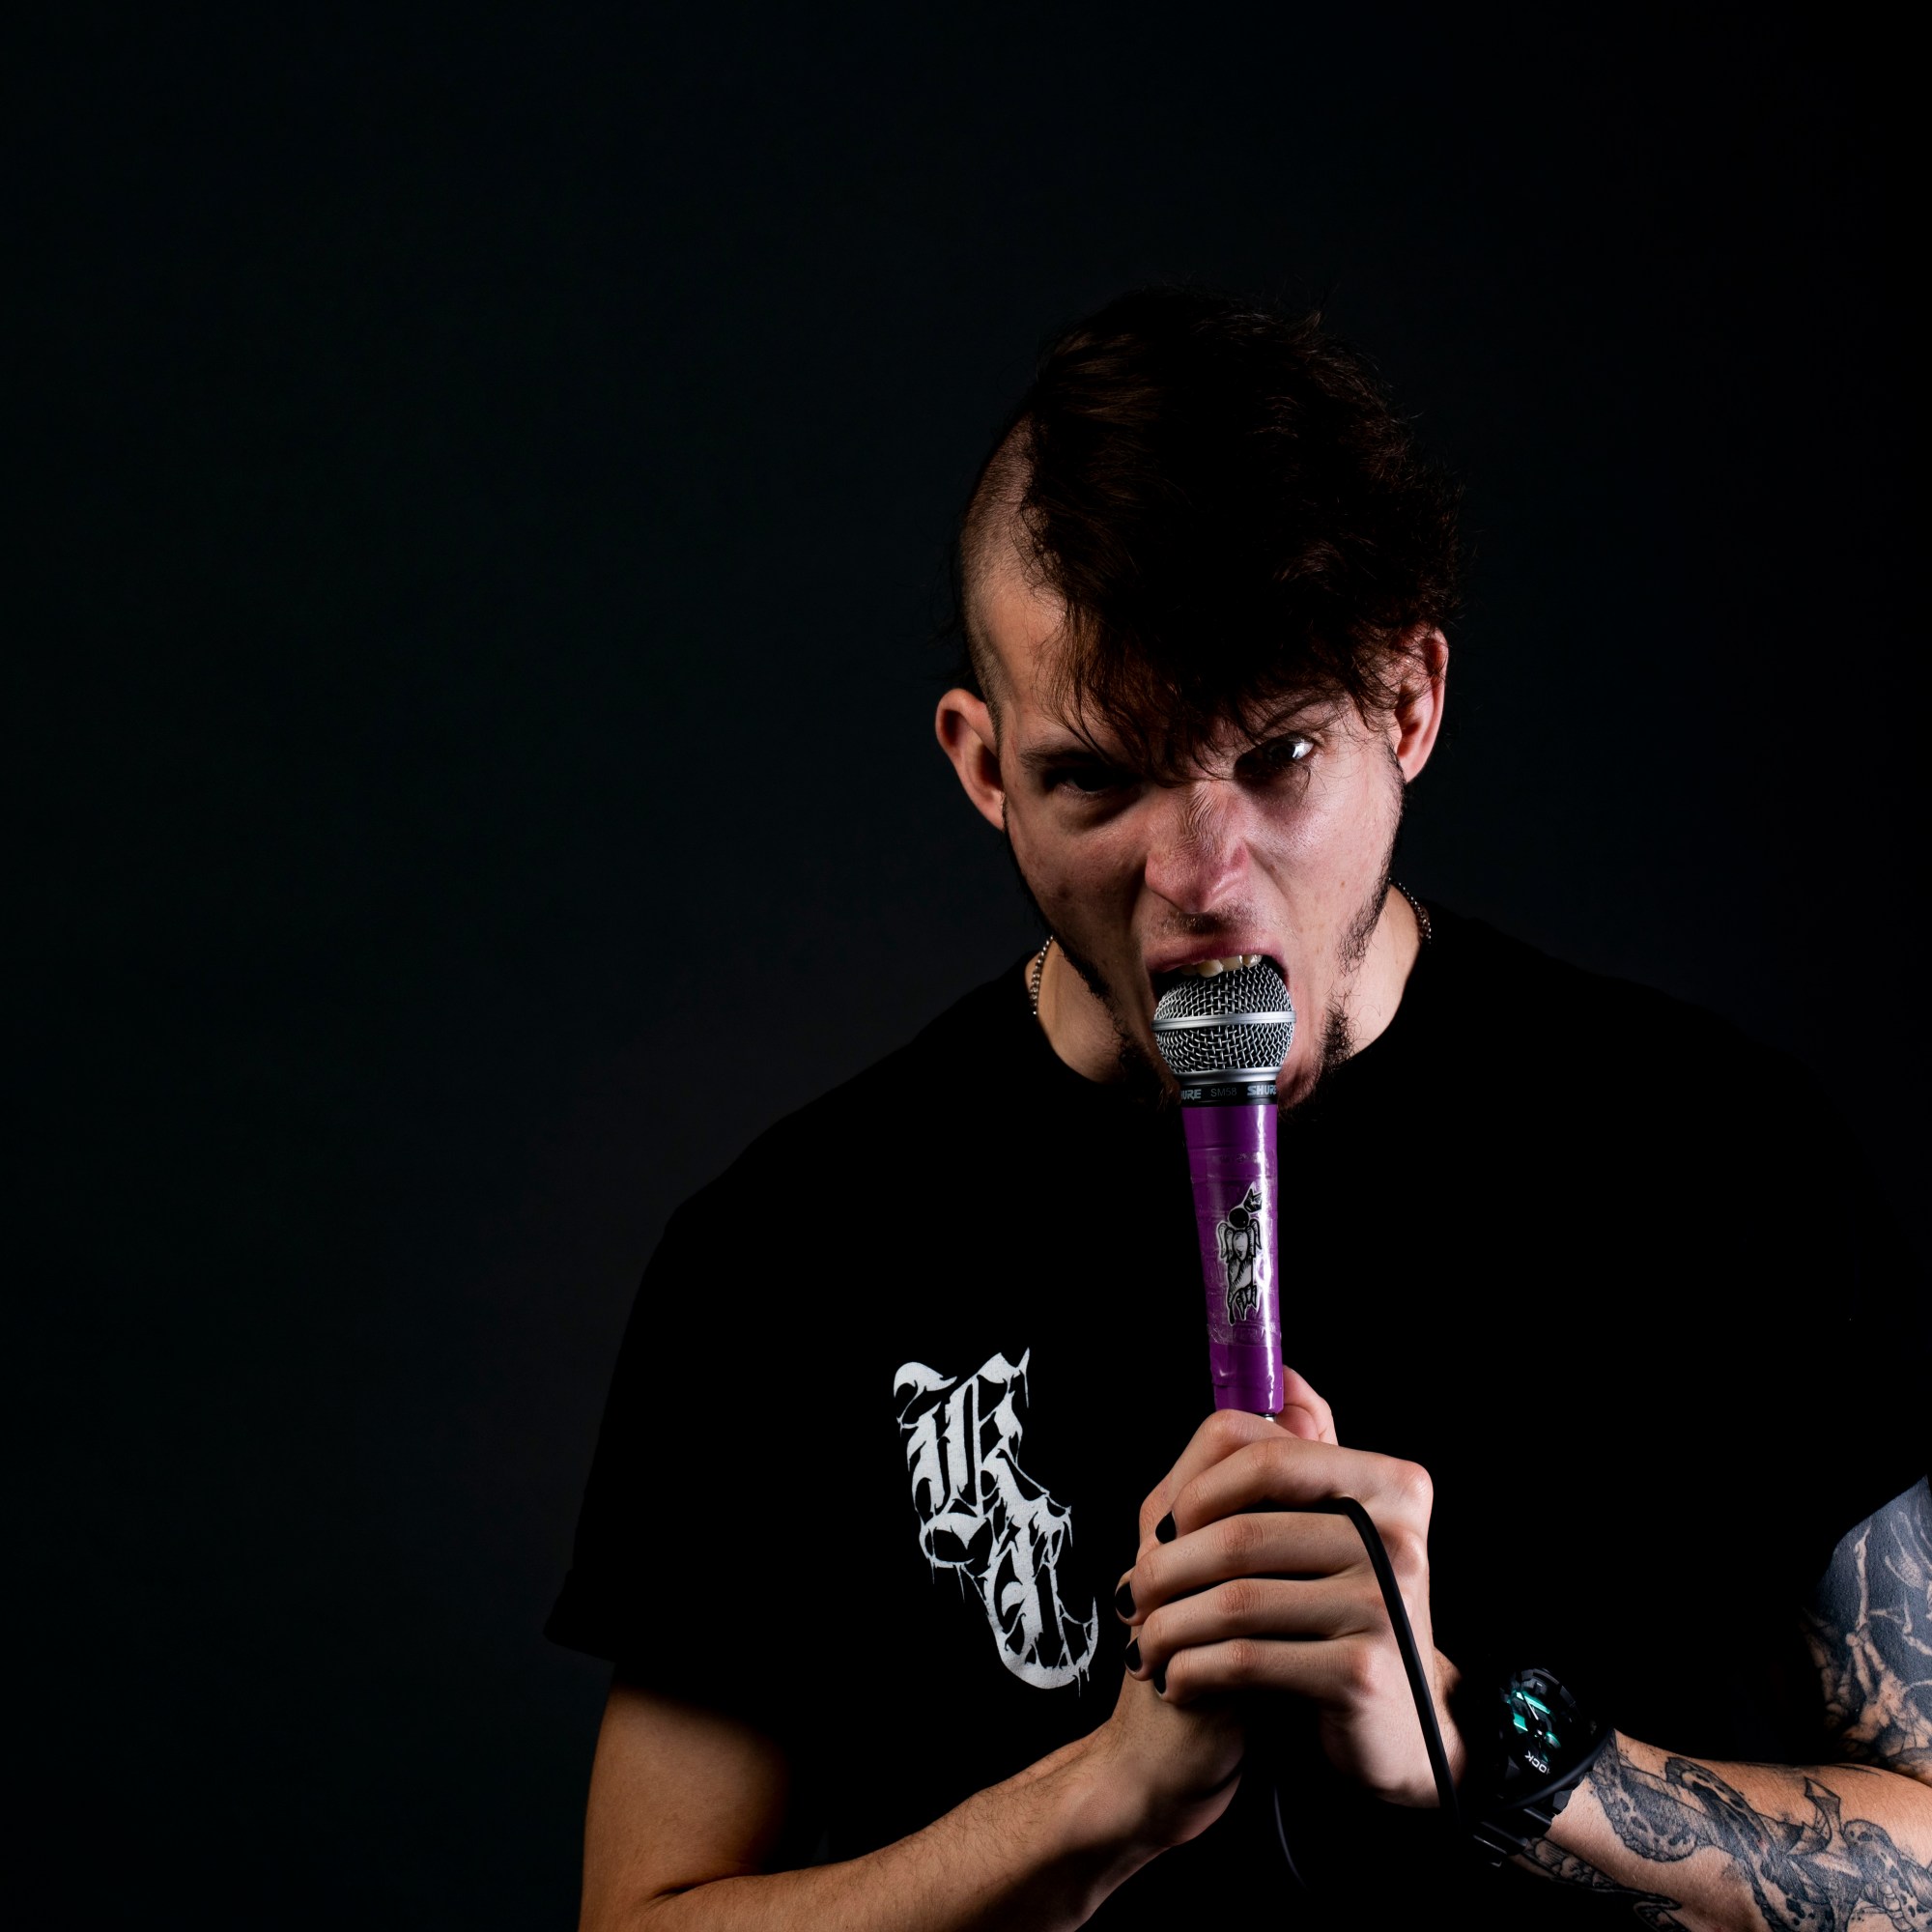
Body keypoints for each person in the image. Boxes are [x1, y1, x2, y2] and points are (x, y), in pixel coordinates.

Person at [547, 287, 1930, 1929]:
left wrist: (1479, 1747)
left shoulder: (1717, 1161)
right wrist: (1099, 1802)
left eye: (1278, 756)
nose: (1203, 882)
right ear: (984, 768)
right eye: (1097, 777)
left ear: (1408, 704)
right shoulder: (787, 1255)